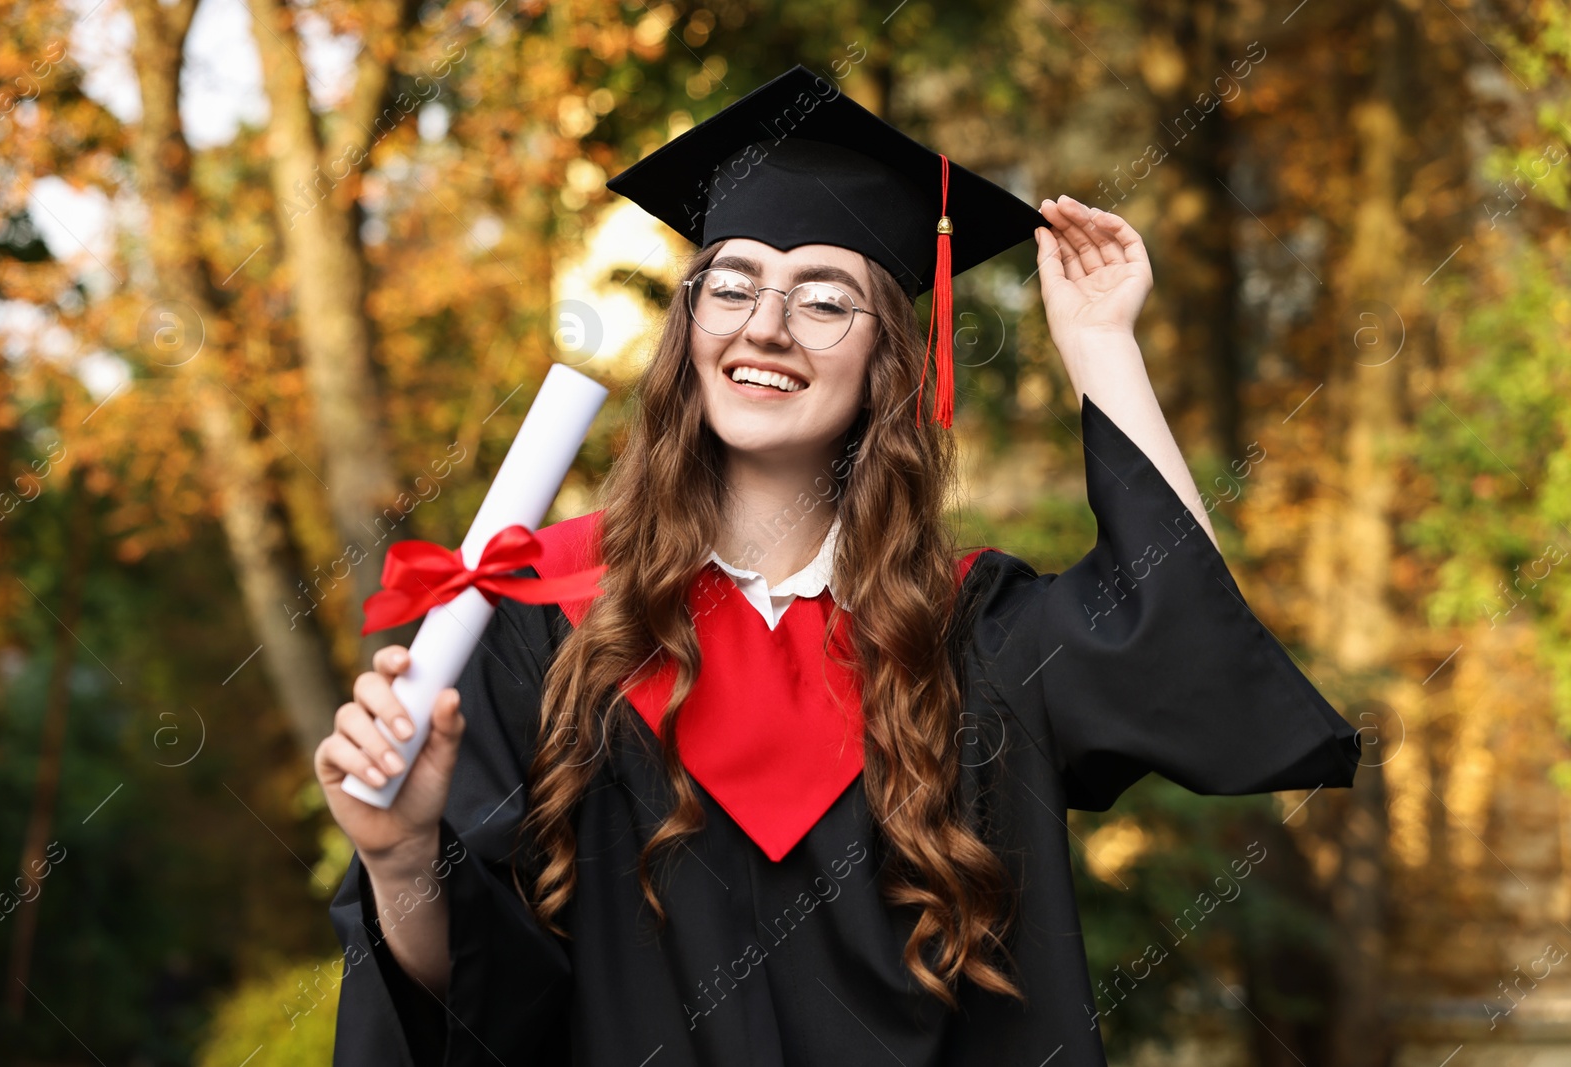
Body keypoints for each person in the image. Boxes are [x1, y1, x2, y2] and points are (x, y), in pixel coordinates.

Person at [315, 66, 1361, 1065]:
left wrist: (1101, 348)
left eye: (822, 299)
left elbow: (1184, 632)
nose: (764, 324)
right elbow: (475, 1011)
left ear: (887, 360)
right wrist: (403, 855)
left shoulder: (975, 637)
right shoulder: (540, 616)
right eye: (731, 285)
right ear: (689, 327)